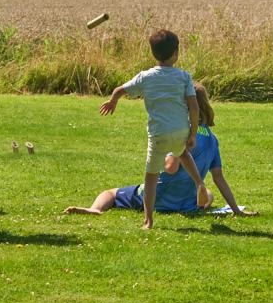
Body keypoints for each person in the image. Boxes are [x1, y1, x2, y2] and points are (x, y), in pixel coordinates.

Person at [65, 84, 257, 217]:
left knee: (111, 193)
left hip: (161, 199)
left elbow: (170, 167)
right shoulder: (212, 139)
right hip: (187, 203)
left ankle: (95, 209)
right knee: (210, 194)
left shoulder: (181, 133)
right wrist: (236, 210)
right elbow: (219, 178)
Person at [98, 29, 210, 229]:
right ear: (176, 53)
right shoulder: (184, 77)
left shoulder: (146, 77)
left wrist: (113, 101)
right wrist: (192, 133)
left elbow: (120, 90)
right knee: (183, 153)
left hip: (158, 135)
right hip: (180, 131)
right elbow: (193, 106)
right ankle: (199, 184)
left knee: (151, 177)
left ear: (153, 53)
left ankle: (148, 220)